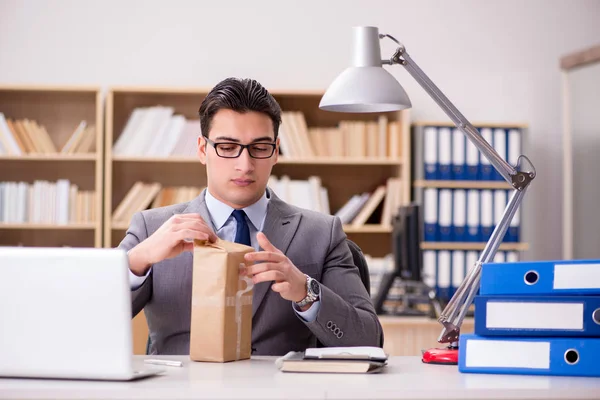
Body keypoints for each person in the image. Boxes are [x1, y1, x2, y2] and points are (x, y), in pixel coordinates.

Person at [120, 77, 383, 355]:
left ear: (275, 152)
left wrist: (306, 292)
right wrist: (137, 261)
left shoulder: (322, 233)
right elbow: (84, 324)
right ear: (202, 150)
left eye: (259, 148)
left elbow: (369, 342)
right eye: (227, 147)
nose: (244, 165)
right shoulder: (151, 228)